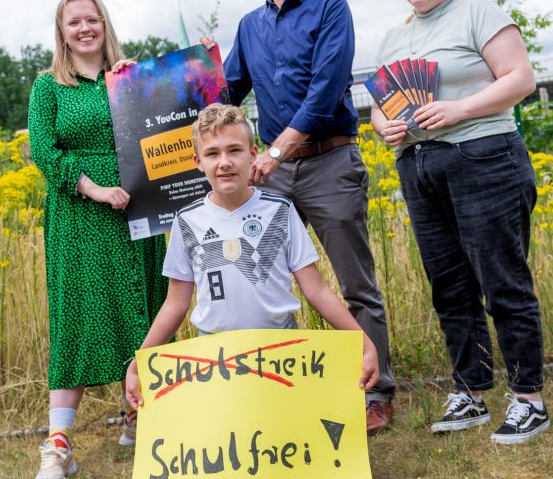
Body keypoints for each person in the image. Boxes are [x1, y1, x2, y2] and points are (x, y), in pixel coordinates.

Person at [200, 0, 396, 433]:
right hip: (274, 173)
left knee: (356, 285)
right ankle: (271, 390)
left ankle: (375, 392)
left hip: (328, 161)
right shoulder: (248, 25)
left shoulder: (332, 9)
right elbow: (227, 93)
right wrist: (199, 68)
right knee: (260, 281)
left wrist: (277, 149)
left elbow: (327, 86)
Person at [372, 0, 548, 445]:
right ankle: (470, 391)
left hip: (484, 158)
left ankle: (528, 400)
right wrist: (384, 125)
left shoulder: (479, 13)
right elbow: (385, 104)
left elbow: (520, 78)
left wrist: (458, 109)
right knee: (448, 285)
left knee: (502, 280)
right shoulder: (394, 37)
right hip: (420, 166)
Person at [124, 103, 379, 409]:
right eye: (212, 154)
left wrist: (362, 342)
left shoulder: (279, 211)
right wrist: (140, 361)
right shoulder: (186, 221)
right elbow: (175, 303)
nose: (225, 162)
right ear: (197, 162)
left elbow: (317, 289)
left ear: (253, 153)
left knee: (283, 436)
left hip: (280, 348)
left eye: (234, 150)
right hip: (216, 353)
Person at [27, 0, 168, 478]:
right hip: (80, 216)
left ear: (105, 25)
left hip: (137, 210)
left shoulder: (128, 78)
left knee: (143, 307)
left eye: (93, 20)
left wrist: (202, 60)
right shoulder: (49, 87)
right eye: (74, 23)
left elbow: (175, 117)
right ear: (62, 33)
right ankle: (58, 445)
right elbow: (45, 152)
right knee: (80, 319)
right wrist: (94, 189)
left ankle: (138, 418)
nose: (85, 28)